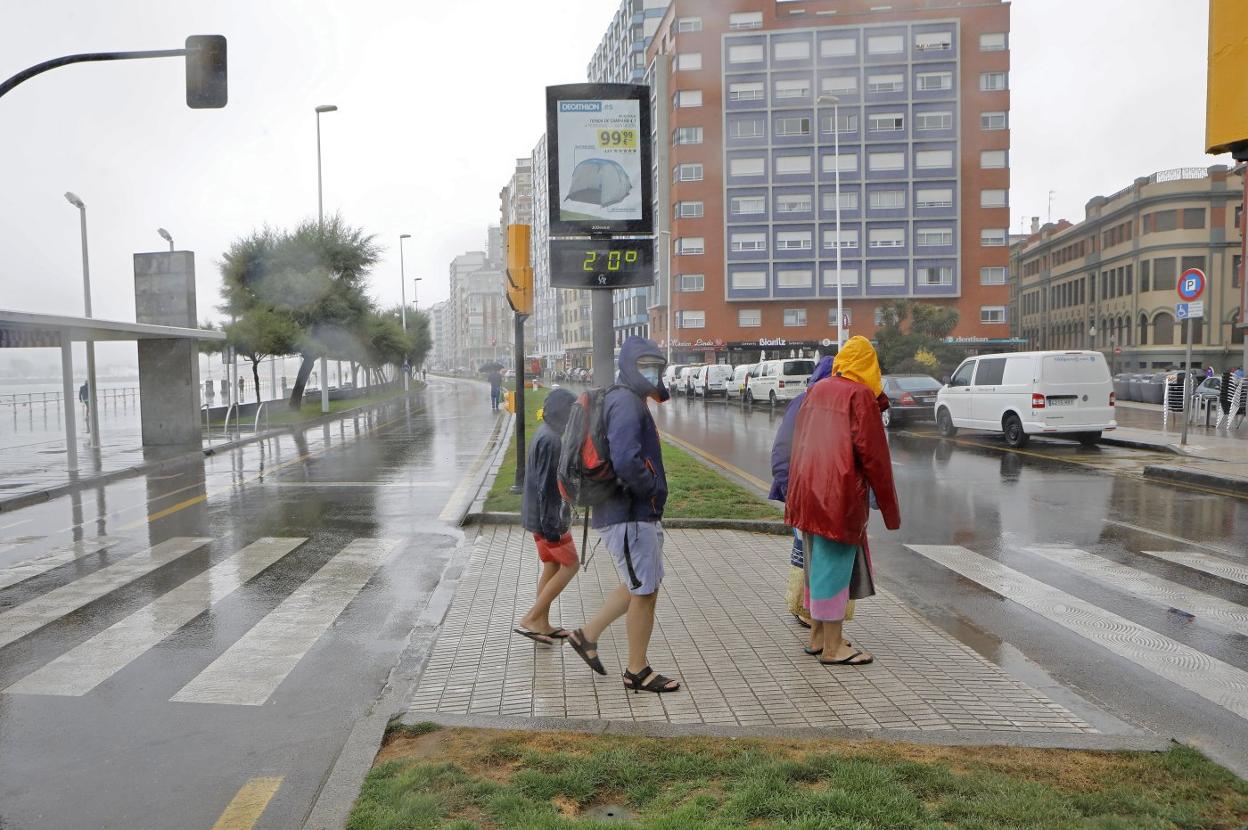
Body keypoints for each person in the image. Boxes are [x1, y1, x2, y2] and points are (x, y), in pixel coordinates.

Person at [567, 337, 680, 694]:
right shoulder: (627, 403)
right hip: (629, 512)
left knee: (641, 585)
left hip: (631, 512)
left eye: (656, 366)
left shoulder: (625, 399)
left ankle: (587, 636)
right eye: (645, 364)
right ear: (630, 365)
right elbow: (626, 460)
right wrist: (651, 489)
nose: (652, 372)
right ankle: (637, 670)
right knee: (644, 591)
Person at [786, 336, 901, 666]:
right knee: (834, 568)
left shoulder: (818, 389)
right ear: (870, 366)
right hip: (838, 497)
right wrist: (891, 512)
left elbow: (800, 442)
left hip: (807, 493)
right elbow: (875, 459)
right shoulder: (860, 395)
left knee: (815, 564)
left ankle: (818, 636)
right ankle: (834, 647)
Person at [770, 355, 835, 630]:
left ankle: (813, 611)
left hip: (823, 495)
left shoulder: (835, 405)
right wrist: (788, 489)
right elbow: (782, 450)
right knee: (807, 552)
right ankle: (806, 610)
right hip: (803, 493)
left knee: (812, 552)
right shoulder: (804, 403)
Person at [515, 388, 579, 645]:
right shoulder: (553, 441)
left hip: (537, 516)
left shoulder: (546, 433)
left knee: (552, 566)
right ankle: (531, 618)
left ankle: (542, 622)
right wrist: (553, 525)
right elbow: (548, 488)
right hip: (548, 519)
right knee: (571, 564)